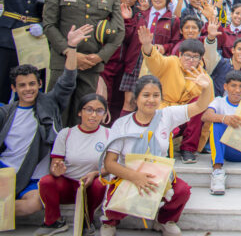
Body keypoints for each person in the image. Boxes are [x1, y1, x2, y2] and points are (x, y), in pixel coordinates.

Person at [101, 72, 213, 236]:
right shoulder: (122, 124)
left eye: (156, 95)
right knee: (115, 199)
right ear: (136, 98)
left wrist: (206, 88)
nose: (151, 100)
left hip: (157, 176)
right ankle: (110, 222)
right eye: (146, 95)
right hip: (128, 175)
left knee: (181, 190)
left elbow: (199, 107)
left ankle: (164, 221)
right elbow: (109, 163)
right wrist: (135, 177)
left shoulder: (167, 115)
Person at [0, 24, 88, 220]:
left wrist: (72, 48)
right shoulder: (5, 113)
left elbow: (67, 81)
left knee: (35, 204)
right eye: (22, 85)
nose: (28, 89)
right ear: (14, 88)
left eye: (32, 83)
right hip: (4, 172)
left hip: (32, 176)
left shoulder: (49, 103)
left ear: (40, 84)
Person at [43, 0, 125, 126]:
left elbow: (119, 31)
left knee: (85, 114)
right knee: (56, 111)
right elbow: (49, 25)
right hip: (63, 61)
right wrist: (69, 51)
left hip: (91, 62)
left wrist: (100, 57)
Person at [137, 26, 212, 165]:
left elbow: (206, 104)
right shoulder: (171, 62)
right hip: (164, 110)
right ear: (180, 55)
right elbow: (155, 61)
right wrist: (147, 46)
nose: (191, 60)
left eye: (195, 57)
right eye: (187, 55)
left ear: (201, 59)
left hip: (186, 116)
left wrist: (205, 87)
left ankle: (188, 149)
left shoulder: (204, 76)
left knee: (199, 102)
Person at [36, 93, 109, 235]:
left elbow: (111, 166)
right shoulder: (66, 134)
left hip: (91, 185)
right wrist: (56, 170)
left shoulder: (109, 134)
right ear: (80, 112)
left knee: (100, 184)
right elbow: (55, 164)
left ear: (104, 114)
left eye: (99, 111)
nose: (93, 115)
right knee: (46, 181)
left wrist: (95, 173)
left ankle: (87, 220)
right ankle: (54, 221)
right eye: (89, 110)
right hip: (68, 185)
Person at [0, 0, 54, 103]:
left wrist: (43, 26)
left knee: (28, 85)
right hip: (8, 37)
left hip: (33, 39)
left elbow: (52, 13)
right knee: (2, 83)